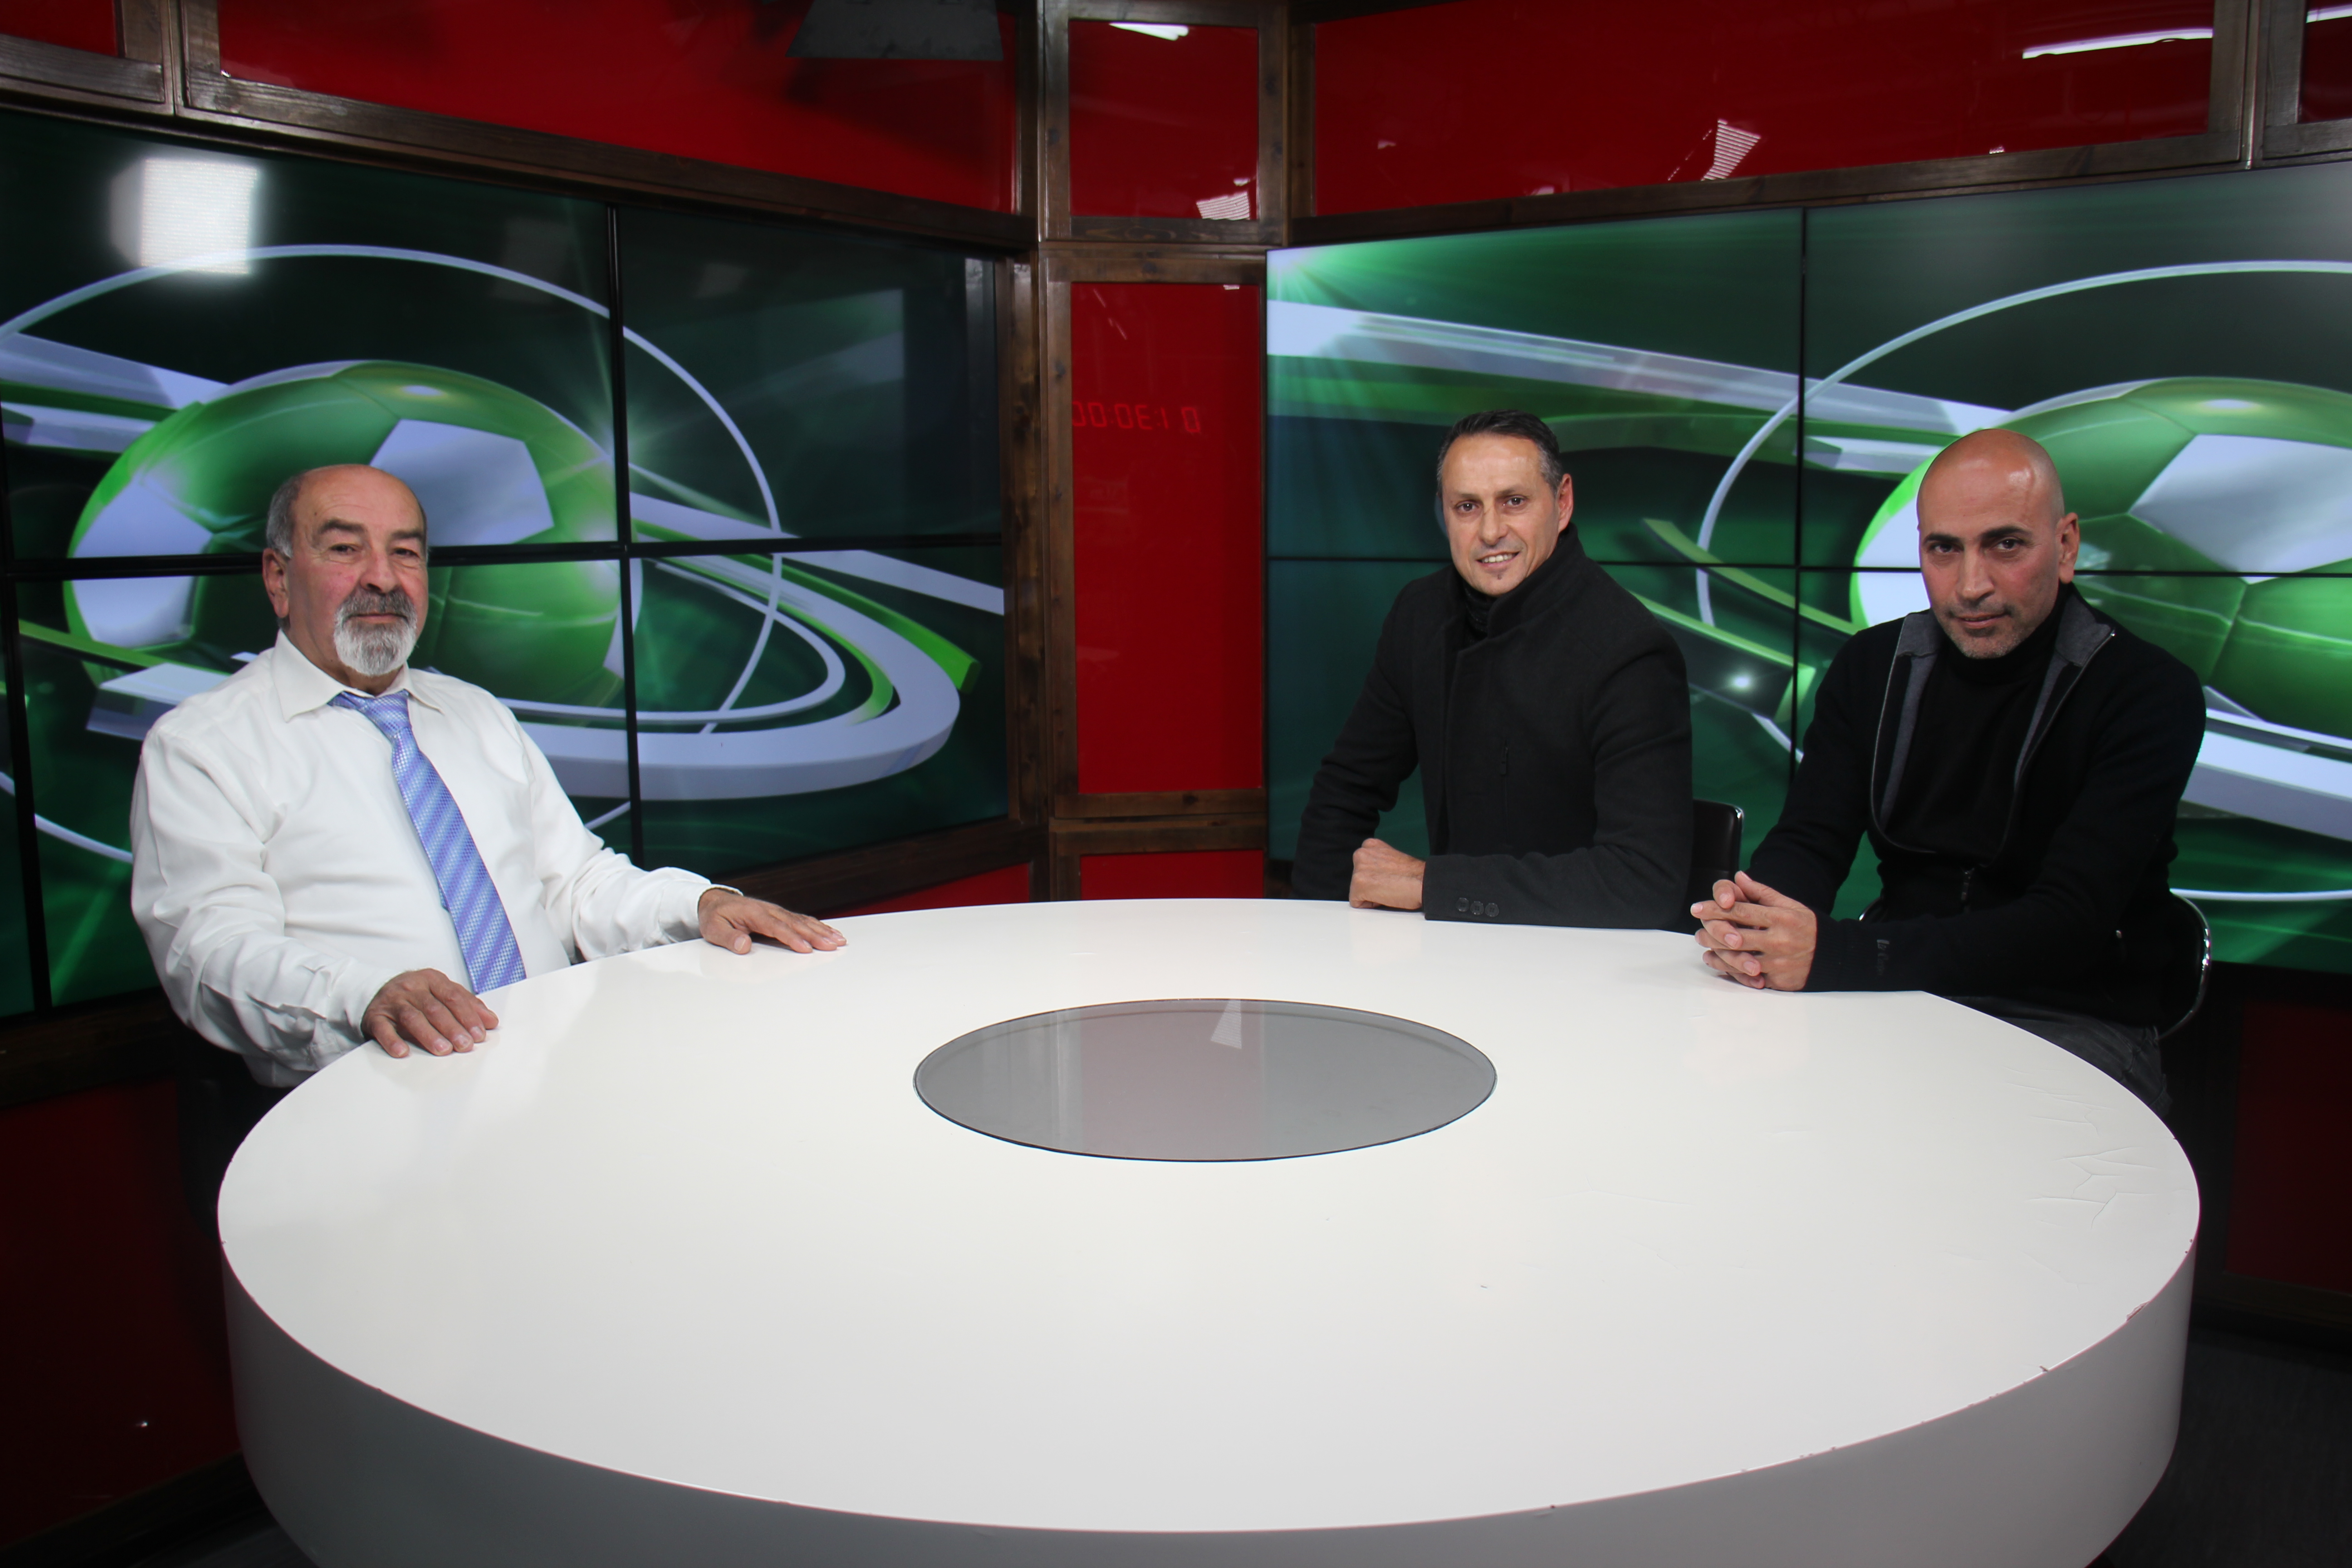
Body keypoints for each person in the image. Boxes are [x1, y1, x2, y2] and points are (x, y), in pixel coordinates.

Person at [131, 466, 845, 1203]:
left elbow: (577, 883)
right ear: (279, 578)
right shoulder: (203, 746)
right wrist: (363, 995)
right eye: (345, 549)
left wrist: (698, 905)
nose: (382, 578)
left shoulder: (476, 714)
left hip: (563, 1093)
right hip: (375, 1136)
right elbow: (209, 950)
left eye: (405, 552)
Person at [1691, 428, 2203, 1110]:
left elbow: (2068, 925)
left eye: (2006, 545)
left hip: (2070, 1015)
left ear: (2066, 546)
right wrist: (1755, 928)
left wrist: (1838, 955)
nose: (1971, 586)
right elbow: (1811, 839)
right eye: (1944, 549)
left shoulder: (2148, 693)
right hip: (1897, 993)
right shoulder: (1872, 666)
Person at [1292, 410, 1691, 927]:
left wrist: (1430, 885)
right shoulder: (1420, 614)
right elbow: (1345, 790)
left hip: (1581, 958)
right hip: (1450, 947)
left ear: (1562, 502)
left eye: (1514, 501)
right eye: (1467, 507)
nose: (1490, 531)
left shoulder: (1629, 651)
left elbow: (1644, 881)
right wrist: (1318, 935)